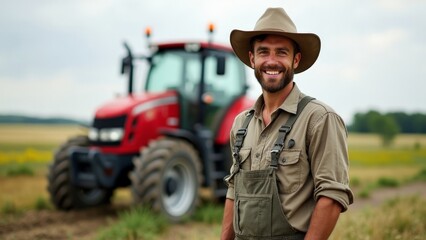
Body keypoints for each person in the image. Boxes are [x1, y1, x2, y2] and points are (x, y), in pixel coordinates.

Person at [221, 7, 354, 240]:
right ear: (252, 59)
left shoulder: (319, 119)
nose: (271, 61)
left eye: (281, 53)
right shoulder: (241, 124)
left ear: (296, 59)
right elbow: (234, 191)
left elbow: (332, 197)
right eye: (263, 52)